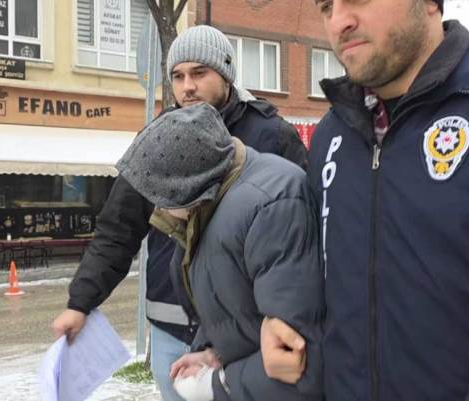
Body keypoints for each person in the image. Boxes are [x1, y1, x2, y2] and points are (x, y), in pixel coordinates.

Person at [260, 0, 469, 400]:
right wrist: (283, 319)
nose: (339, 22)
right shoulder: (330, 136)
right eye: (325, 6)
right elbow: (326, 278)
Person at [52, 25, 307, 400]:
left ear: (226, 73)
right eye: (177, 76)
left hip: (248, 332)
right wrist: (81, 302)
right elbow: (117, 229)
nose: (187, 87)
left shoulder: (271, 135)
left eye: (199, 73)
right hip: (172, 326)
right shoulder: (160, 140)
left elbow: (303, 233)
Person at [116, 102, 324, 401]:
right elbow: (235, 306)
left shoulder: (271, 206)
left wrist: (220, 384)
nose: (157, 207)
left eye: (157, 195)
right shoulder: (216, 201)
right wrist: (213, 352)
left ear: (185, 185)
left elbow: (295, 361)